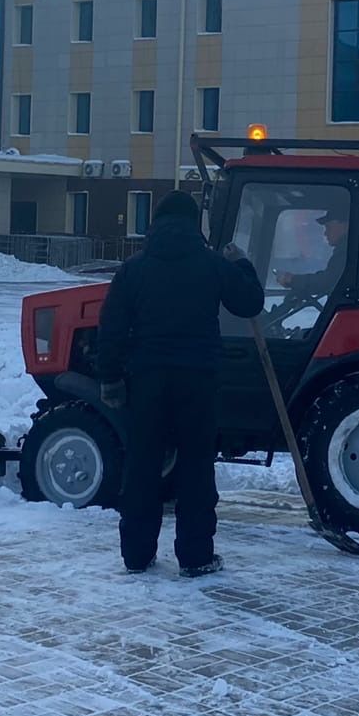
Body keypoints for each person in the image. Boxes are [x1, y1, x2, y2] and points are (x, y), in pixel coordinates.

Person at [97, 189, 265, 577]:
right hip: (199, 382)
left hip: (147, 382)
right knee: (196, 468)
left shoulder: (134, 269)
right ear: (195, 224)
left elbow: (111, 329)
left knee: (142, 466)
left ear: (156, 223)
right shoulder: (211, 265)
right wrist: (242, 266)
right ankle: (196, 556)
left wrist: (110, 378)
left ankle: (137, 556)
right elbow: (250, 302)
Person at [279, 214, 350, 301]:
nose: (325, 233)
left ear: (345, 226)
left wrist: (294, 280)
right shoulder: (349, 249)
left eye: (329, 227)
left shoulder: (349, 252)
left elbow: (328, 282)